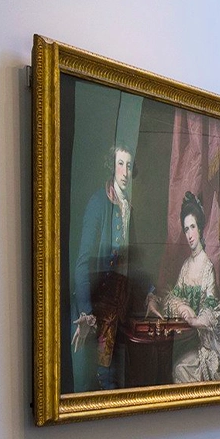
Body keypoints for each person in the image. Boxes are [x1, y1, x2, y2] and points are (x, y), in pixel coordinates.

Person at [69, 144, 133, 392]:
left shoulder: (127, 208)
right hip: (95, 311)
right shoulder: (99, 203)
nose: (125, 171)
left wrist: (149, 291)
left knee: (116, 382)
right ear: (112, 166)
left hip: (118, 309)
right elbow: (82, 262)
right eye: (120, 163)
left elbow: (130, 263)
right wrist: (85, 312)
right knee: (99, 382)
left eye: (129, 165)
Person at [153, 192, 220, 383]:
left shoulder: (207, 267)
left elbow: (211, 307)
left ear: (200, 228)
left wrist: (196, 319)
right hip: (189, 339)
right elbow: (173, 296)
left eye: (192, 227)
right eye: (186, 229)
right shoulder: (186, 265)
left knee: (179, 368)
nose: (189, 234)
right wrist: (182, 308)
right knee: (171, 365)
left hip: (208, 344)